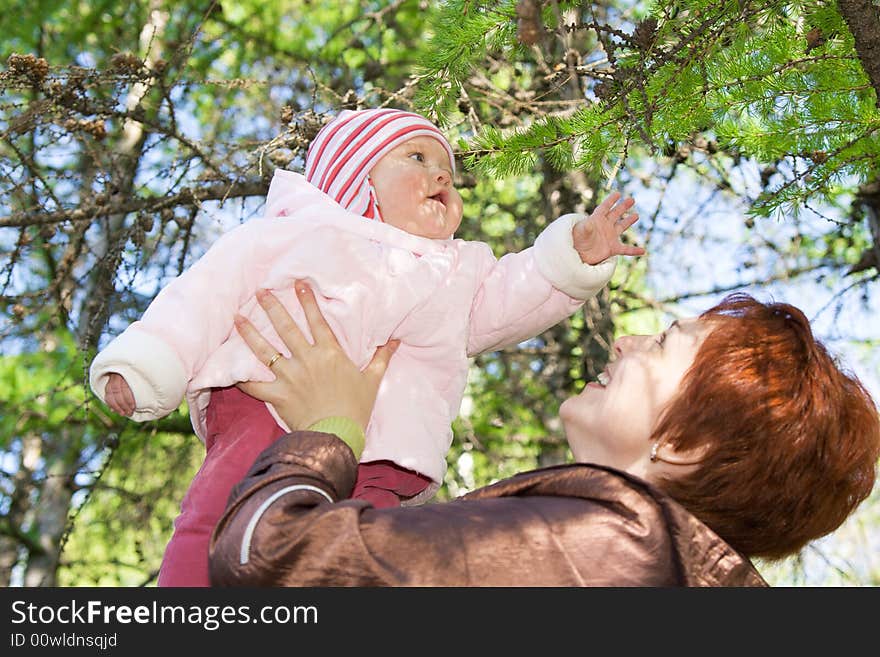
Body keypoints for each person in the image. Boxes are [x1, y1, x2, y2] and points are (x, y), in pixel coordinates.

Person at [87, 108, 646, 586]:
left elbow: (507, 301)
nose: (441, 177)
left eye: (448, 171)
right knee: (219, 519)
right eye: (417, 160)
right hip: (265, 411)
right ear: (354, 175)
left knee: (363, 557)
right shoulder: (289, 235)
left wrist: (574, 257)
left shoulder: (456, 269)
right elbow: (202, 297)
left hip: (386, 456)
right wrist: (145, 365)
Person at [208, 282, 880, 586]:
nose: (626, 338)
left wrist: (331, 428)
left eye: (667, 342)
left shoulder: (606, 553)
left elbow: (268, 559)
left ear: (684, 444)